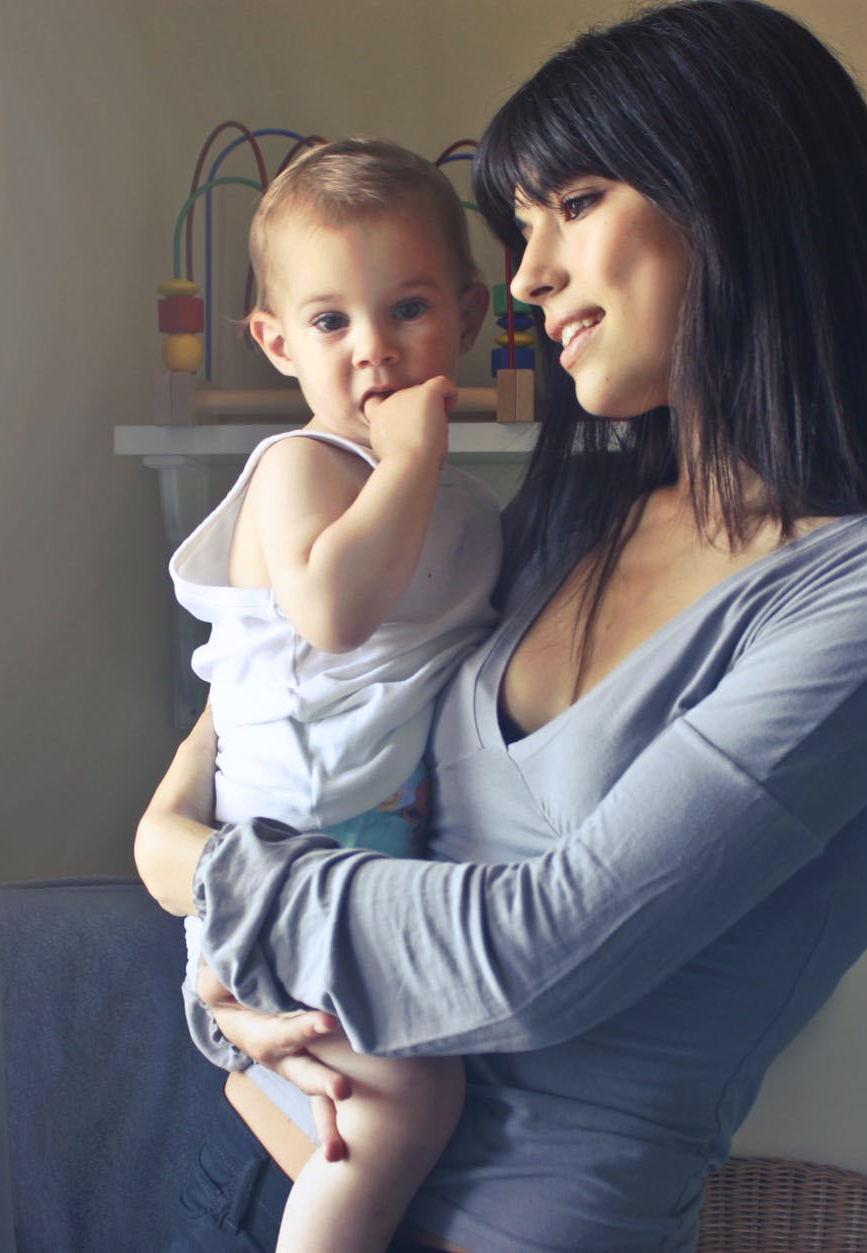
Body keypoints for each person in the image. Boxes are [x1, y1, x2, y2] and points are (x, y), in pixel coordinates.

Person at [138, 2, 867, 1249]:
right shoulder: (579, 517)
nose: (524, 277)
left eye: (572, 203)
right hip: (274, 1157)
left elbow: (537, 956)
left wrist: (197, 873)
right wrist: (211, 954)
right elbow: (278, 694)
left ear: (733, 191)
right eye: (517, 229)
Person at [142, 139, 501, 1253]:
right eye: (332, 322)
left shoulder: (464, 508)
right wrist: (404, 461)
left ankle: (268, 1106)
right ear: (275, 340)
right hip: (281, 849)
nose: (374, 352)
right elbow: (335, 611)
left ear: (469, 315)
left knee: (390, 1109)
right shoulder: (302, 465)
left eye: (406, 309)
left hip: (370, 849)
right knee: (412, 1102)